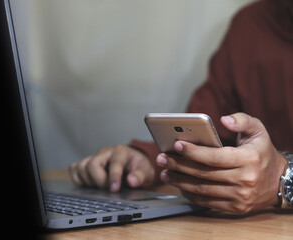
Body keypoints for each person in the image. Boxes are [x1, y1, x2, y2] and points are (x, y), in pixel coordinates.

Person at [69, 0, 293, 213]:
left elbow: (271, 176)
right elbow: (206, 131)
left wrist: (281, 178)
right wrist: (150, 161)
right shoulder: (250, 24)